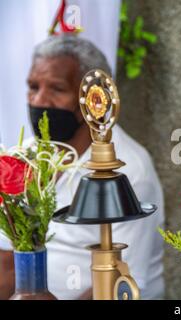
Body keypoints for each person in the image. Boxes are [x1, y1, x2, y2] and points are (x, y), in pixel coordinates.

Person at [0, 35, 165, 300]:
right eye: (33, 86)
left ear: (94, 100)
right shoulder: (21, 158)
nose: (40, 100)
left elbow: (122, 283)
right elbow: (7, 262)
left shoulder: (129, 170)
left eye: (56, 89)